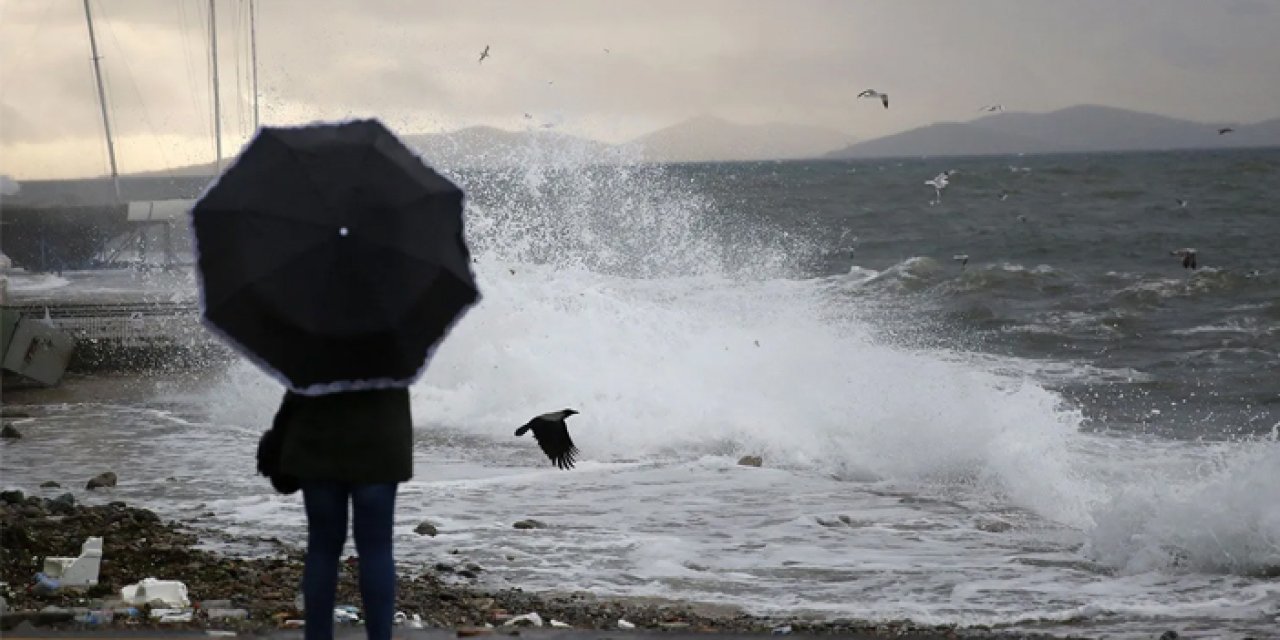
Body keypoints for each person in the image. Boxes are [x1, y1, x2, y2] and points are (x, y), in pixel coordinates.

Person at [274, 387, 413, 640]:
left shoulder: (311, 346)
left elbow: (298, 378)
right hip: (380, 434)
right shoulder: (394, 349)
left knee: (322, 547)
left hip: (319, 433)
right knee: (376, 548)